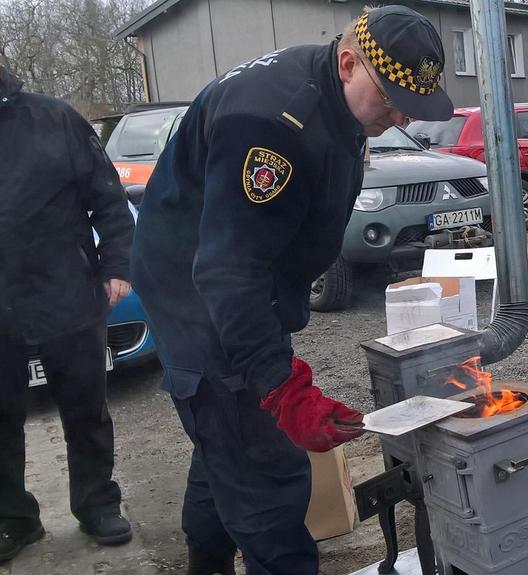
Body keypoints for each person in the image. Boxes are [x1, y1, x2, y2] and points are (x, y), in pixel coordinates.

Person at [129, 6, 453, 574]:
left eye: (411, 103)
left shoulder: (335, 92)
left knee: (223, 436)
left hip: (234, 278)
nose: (400, 114)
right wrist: (283, 389)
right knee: (268, 473)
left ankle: (205, 562)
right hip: (198, 291)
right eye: (391, 98)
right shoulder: (272, 124)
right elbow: (229, 271)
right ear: (349, 62)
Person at [0, 65, 136, 563]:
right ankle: (14, 519)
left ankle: (97, 503)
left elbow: (107, 197)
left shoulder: (54, 118)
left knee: (85, 408)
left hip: (68, 291)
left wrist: (117, 264)